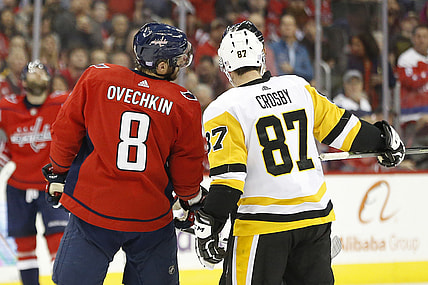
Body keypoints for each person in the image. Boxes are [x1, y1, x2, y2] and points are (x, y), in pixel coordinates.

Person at [193, 21, 405, 284]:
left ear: (225, 68)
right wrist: (385, 140)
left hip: (262, 226)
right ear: (261, 59)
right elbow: (347, 132)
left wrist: (210, 225)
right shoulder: (297, 87)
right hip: (315, 221)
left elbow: (229, 181)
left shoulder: (223, 108)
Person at [42, 22, 206, 285]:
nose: (181, 64)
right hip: (149, 216)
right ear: (161, 66)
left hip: (93, 207)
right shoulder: (182, 102)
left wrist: (57, 171)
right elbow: (187, 165)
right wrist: (188, 200)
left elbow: (65, 130)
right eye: (177, 59)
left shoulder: (97, 77)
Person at [0, 60, 69, 285]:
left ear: (49, 80)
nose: (37, 76)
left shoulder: (61, 103)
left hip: (53, 185)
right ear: (22, 81)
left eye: (42, 72)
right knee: (24, 245)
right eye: (32, 72)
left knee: (59, 242)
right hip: (18, 187)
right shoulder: (7, 107)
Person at [396, 25, 428, 169]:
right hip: (412, 118)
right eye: (418, 36)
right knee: (415, 158)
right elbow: (412, 82)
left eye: (425, 36)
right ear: (413, 38)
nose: (422, 40)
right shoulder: (406, 58)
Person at [269, 14, 313, 82]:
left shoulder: (302, 50)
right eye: (284, 24)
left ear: (295, 28)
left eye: (290, 25)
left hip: (298, 86)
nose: (287, 27)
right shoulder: (273, 48)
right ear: (279, 27)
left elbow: (309, 74)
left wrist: (293, 70)